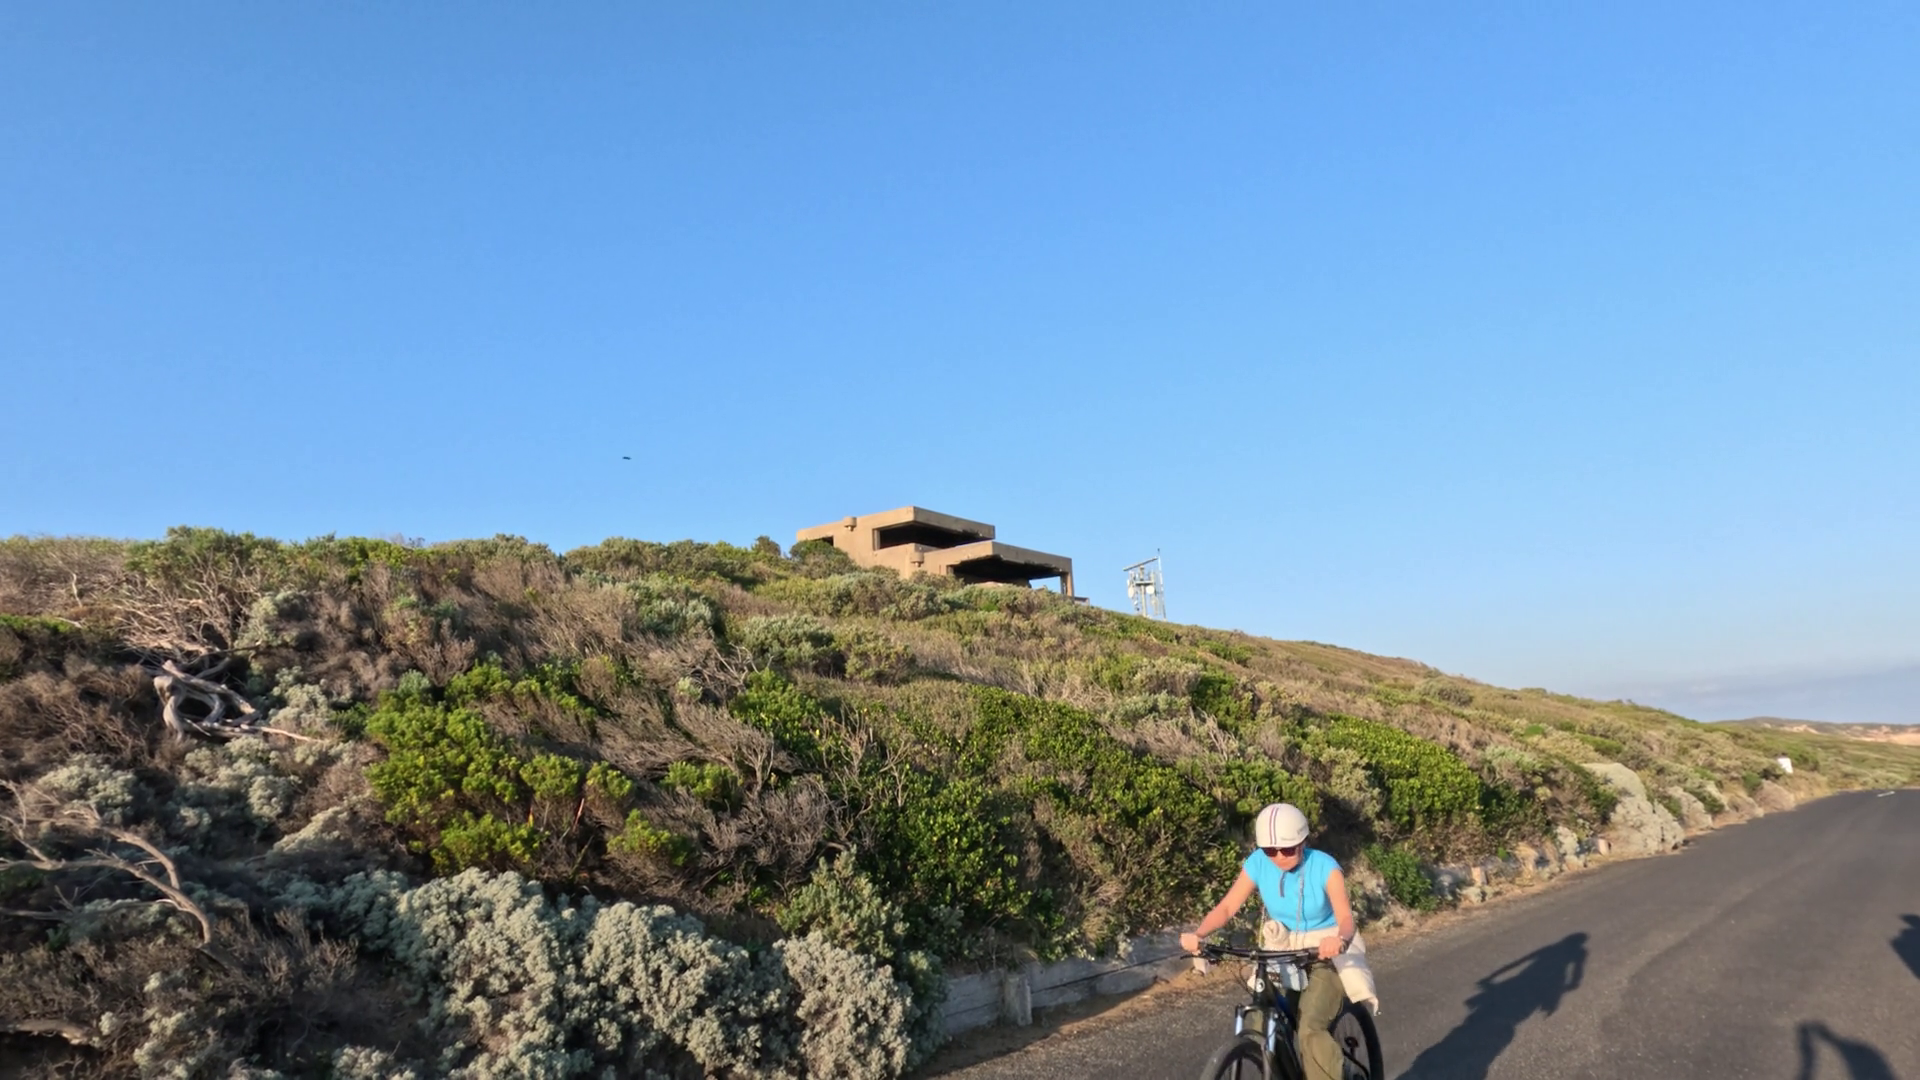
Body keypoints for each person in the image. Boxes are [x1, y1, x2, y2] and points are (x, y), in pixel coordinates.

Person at [1180, 802, 1372, 1080]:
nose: (1279, 857)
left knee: (1310, 1028)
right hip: (1283, 948)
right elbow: (1227, 907)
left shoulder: (1325, 867)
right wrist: (1199, 934)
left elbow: (1345, 918)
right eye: (1270, 850)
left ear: (1303, 841)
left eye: (1287, 849)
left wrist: (1339, 940)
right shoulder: (1258, 863)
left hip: (1326, 949)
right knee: (1259, 1019)